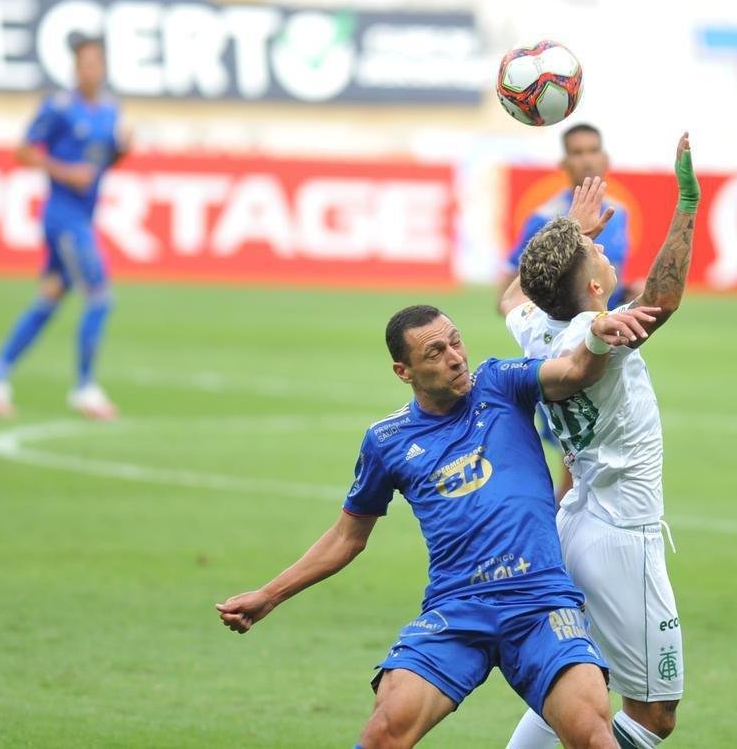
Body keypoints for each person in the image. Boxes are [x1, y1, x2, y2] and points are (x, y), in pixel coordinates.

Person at [215, 301, 662, 748]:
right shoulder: (387, 441)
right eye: (434, 352)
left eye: (455, 341)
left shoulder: (501, 383)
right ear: (402, 371)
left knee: (592, 735)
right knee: (384, 733)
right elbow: (346, 538)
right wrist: (269, 596)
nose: (455, 357)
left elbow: (578, 372)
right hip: (457, 611)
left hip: (540, 601)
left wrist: (598, 333)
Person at [498, 132, 700, 749]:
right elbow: (661, 299)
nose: (606, 252)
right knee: (652, 713)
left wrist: (566, 228)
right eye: (595, 252)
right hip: (621, 534)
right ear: (590, 288)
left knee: (583, 678)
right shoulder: (594, 330)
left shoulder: (534, 326)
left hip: (577, 520)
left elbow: (513, 293)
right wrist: (687, 204)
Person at [0, 35, 128, 420]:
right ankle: (85, 387)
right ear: (76, 69)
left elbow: (102, 164)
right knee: (100, 295)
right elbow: (23, 150)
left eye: (97, 64)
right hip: (63, 216)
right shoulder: (59, 107)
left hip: (84, 214)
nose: (92, 71)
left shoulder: (110, 111)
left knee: (51, 297)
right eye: (86, 64)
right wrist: (62, 170)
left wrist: (123, 150)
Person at [498, 123, 642, 312]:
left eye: (593, 150)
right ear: (564, 163)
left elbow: (601, 282)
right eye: (577, 153)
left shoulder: (619, 213)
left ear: (605, 159)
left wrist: (627, 293)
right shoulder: (545, 217)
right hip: (566, 334)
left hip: (613, 328)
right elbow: (508, 297)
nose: (587, 160)